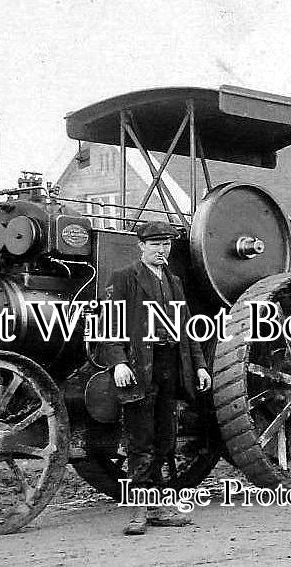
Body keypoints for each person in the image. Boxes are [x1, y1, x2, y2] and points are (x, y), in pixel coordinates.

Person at [102, 221, 212, 535]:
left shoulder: (175, 282)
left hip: (170, 367)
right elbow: (108, 325)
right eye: (155, 245)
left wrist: (200, 366)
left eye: (165, 245)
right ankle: (139, 512)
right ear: (141, 247)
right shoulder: (125, 278)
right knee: (140, 441)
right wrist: (118, 364)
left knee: (165, 439)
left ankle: (159, 507)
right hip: (138, 370)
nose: (161, 251)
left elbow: (188, 331)